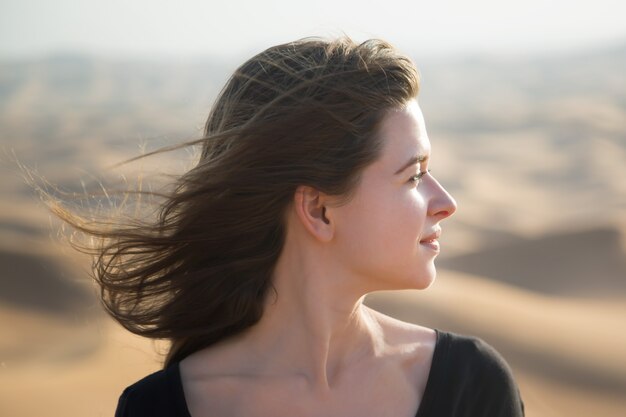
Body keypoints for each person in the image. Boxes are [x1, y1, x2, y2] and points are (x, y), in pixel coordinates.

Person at [55, 37, 524, 416]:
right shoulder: (159, 409)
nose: (446, 203)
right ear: (318, 210)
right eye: (414, 176)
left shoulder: (472, 386)